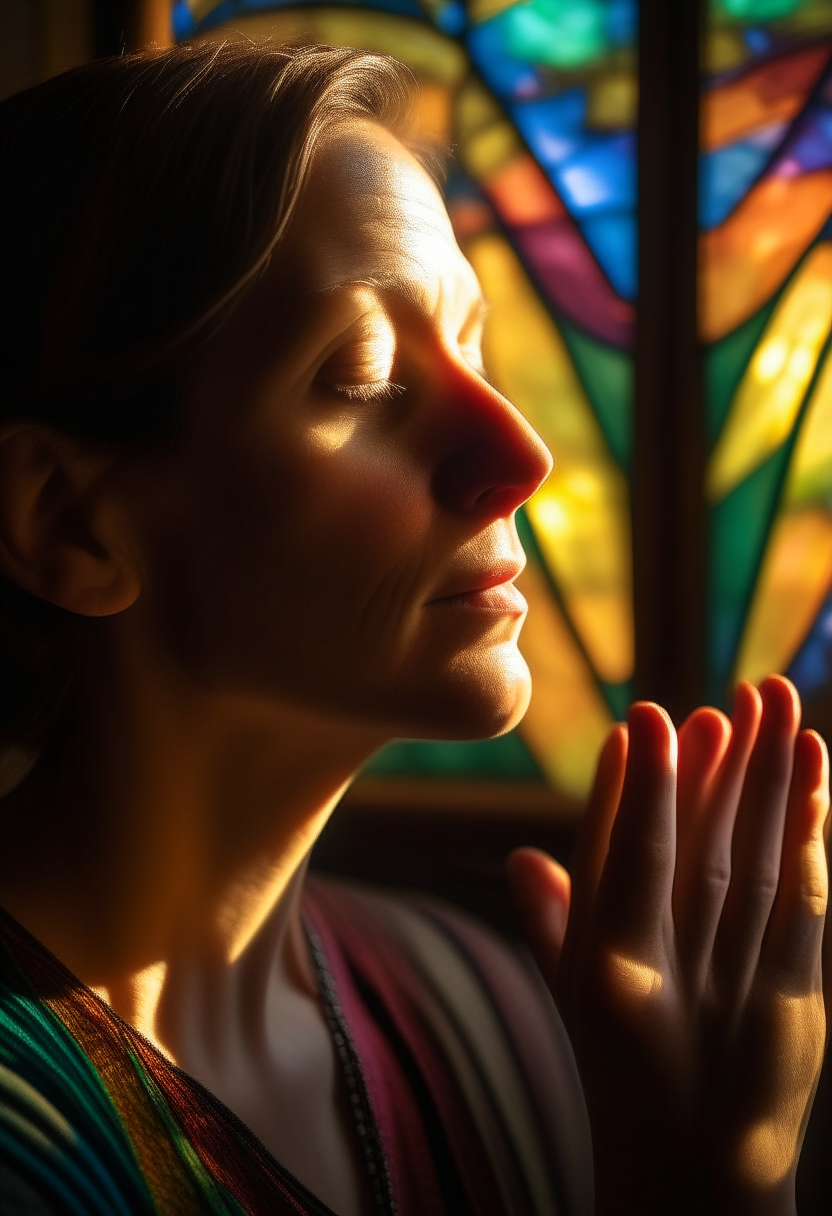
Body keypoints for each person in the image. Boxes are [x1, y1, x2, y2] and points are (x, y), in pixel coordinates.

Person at [0, 39, 827, 1216]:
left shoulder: (492, 1016)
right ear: (69, 525)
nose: (520, 455)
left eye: (475, 341)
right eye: (366, 377)